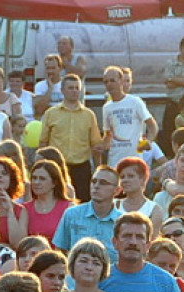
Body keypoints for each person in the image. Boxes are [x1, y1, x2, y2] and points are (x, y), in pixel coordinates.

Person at [39, 74, 101, 202]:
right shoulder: (51, 113)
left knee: (82, 203)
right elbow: (43, 142)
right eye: (71, 88)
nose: (74, 91)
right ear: (62, 91)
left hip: (81, 168)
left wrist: (98, 170)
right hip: (57, 167)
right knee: (56, 201)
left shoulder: (89, 115)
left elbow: (95, 145)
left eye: (77, 88)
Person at [52, 164, 121, 260]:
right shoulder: (72, 214)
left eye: (103, 183)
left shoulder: (122, 222)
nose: (96, 186)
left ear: (117, 191)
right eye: (94, 181)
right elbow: (59, 252)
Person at [101, 66, 157, 168]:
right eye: (106, 82)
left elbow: (152, 126)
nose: (109, 84)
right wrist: (99, 146)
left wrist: (148, 141)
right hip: (114, 161)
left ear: (121, 81)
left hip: (134, 160)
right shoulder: (107, 107)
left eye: (112, 81)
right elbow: (108, 135)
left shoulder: (135, 101)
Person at [25, 159, 74, 242]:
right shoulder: (24, 209)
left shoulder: (69, 208)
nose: (36, 182)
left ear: (54, 183)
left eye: (42, 179)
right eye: (34, 178)